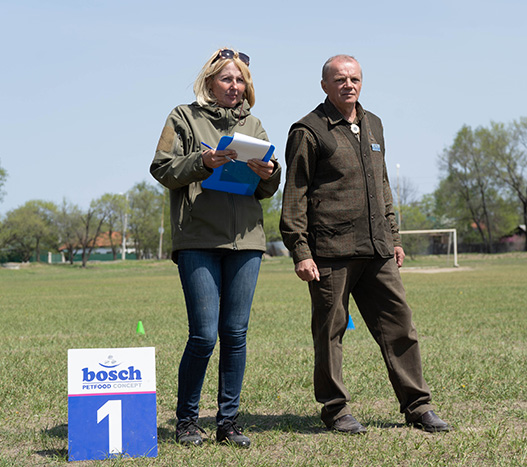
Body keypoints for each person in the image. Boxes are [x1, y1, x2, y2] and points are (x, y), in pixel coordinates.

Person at [279, 54, 450, 435]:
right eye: (339, 79)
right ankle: (336, 409)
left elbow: (382, 186)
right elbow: (295, 196)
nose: (348, 85)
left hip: (377, 250)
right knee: (330, 333)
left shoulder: (374, 125)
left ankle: (418, 406)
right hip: (330, 253)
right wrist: (301, 251)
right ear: (324, 85)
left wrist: (394, 238)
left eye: (354, 78)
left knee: (400, 326)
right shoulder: (308, 130)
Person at [150, 48, 281, 448]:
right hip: (198, 238)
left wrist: (269, 173)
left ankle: (229, 422)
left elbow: (266, 189)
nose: (234, 86)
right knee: (204, 336)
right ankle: (187, 420)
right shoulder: (183, 117)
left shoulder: (254, 125)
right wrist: (203, 161)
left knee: (235, 333)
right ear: (209, 82)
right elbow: (161, 168)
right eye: (227, 79)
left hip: (246, 241)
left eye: (240, 80)